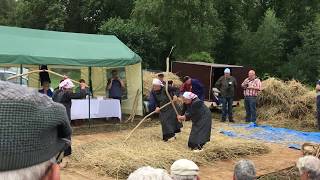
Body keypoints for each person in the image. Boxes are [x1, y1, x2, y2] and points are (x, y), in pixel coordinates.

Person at [0, 80, 72, 180]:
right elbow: (77, 94)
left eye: (48, 85)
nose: (47, 86)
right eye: (45, 85)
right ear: (53, 176)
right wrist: (83, 88)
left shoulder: (54, 92)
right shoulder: (58, 93)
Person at [52, 78, 87, 157]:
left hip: (56, 117)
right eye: (70, 88)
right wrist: (83, 88)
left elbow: (59, 88)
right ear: (66, 88)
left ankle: (57, 152)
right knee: (66, 135)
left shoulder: (56, 93)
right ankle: (65, 154)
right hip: (64, 118)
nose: (71, 90)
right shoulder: (66, 94)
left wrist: (64, 80)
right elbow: (79, 95)